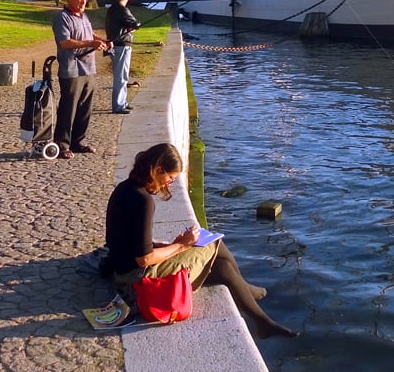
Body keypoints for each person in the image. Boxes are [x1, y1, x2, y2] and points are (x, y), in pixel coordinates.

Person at [105, 143, 299, 339]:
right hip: (136, 281)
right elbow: (144, 259)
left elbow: (129, 240)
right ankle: (249, 293)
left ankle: (262, 321)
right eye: (170, 178)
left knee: (222, 269)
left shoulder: (124, 188)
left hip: (122, 272)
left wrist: (167, 246)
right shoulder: (143, 201)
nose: (168, 184)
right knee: (214, 243)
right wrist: (182, 245)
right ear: (157, 170)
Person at [52, 0, 112, 160]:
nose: (83, 3)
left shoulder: (83, 15)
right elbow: (64, 42)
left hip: (89, 69)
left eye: (85, 0)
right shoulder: (62, 18)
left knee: (85, 108)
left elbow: (89, 33)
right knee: (68, 108)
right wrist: (89, 44)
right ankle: (62, 144)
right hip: (71, 70)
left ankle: (78, 142)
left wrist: (102, 41)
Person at [105, 0, 140, 114]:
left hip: (115, 45)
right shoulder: (122, 10)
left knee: (123, 75)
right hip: (122, 46)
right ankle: (118, 106)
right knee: (120, 76)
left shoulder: (112, 9)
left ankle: (123, 101)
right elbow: (135, 23)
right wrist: (134, 26)